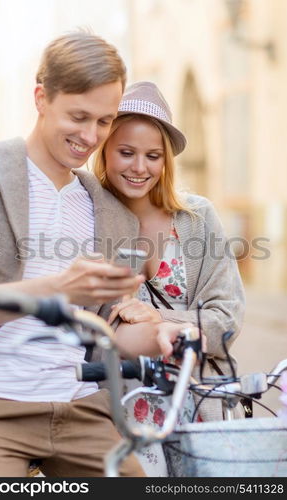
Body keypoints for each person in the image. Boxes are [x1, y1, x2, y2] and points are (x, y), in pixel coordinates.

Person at [0, 32, 192, 478]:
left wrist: (163, 335)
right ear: (41, 98)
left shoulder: (109, 214)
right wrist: (56, 289)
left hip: (81, 408)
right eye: (79, 117)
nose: (90, 138)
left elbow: (103, 337)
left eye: (104, 122)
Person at [93, 81, 246, 475]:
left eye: (153, 155)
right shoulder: (88, 218)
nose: (140, 167)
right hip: (117, 412)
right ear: (105, 150)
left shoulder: (196, 218)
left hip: (196, 404)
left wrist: (160, 318)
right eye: (126, 152)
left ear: (167, 161)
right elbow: (85, 325)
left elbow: (227, 319)